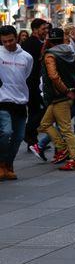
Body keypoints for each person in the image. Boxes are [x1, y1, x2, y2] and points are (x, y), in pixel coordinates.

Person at [37, 27, 75, 171]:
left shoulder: (50, 55)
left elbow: (53, 76)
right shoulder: (70, 51)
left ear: (50, 40)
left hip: (60, 96)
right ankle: (62, 148)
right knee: (44, 124)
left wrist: (65, 91)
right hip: (68, 94)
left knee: (66, 129)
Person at [0, 26, 33, 180]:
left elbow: (26, 76)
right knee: (6, 132)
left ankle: (9, 165)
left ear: (16, 38)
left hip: (20, 101)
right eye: (4, 41)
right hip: (3, 101)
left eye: (11, 40)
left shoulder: (26, 57)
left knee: (19, 137)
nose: (8, 44)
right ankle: (1, 164)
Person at [22, 19, 48, 150]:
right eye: (43, 29)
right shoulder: (32, 43)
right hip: (31, 83)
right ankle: (27, 133)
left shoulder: (36, 42)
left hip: (33, 82)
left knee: (34, 111)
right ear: (35, 29)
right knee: (43, 109)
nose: (46, 31)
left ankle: (31, 141)